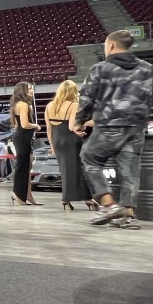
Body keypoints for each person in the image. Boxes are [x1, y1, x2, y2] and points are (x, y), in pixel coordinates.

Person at [74, 29, 153, 230]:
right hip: (136, 127)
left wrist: (79, 121)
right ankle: (128, 216)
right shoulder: (146, 68)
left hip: (109, 125)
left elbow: (86, 97)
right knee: (129, 170)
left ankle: (109, 205)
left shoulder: (101, 68)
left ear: (111, 46)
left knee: (89, 158)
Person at [45, 80, 95, 211]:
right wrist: (86, 124)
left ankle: (66, 200)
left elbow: (49, 128)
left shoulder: (49, 105)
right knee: (80, 170)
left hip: (57, 140)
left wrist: (52, 145)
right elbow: (72, 126)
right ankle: (88, 198)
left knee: (65, 170)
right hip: (71, 140)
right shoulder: (73, 105)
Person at [8, 81, 42, 205]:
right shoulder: (23, 104)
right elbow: (25, 124)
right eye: (29, 89)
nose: (32, 91)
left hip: (23, 137)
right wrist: (36, 125)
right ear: (23, 90)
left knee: (27, 167)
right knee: (22, 167)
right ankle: (17, 194)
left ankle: (27, 195)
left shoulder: (19, 104)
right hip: (22, 137)